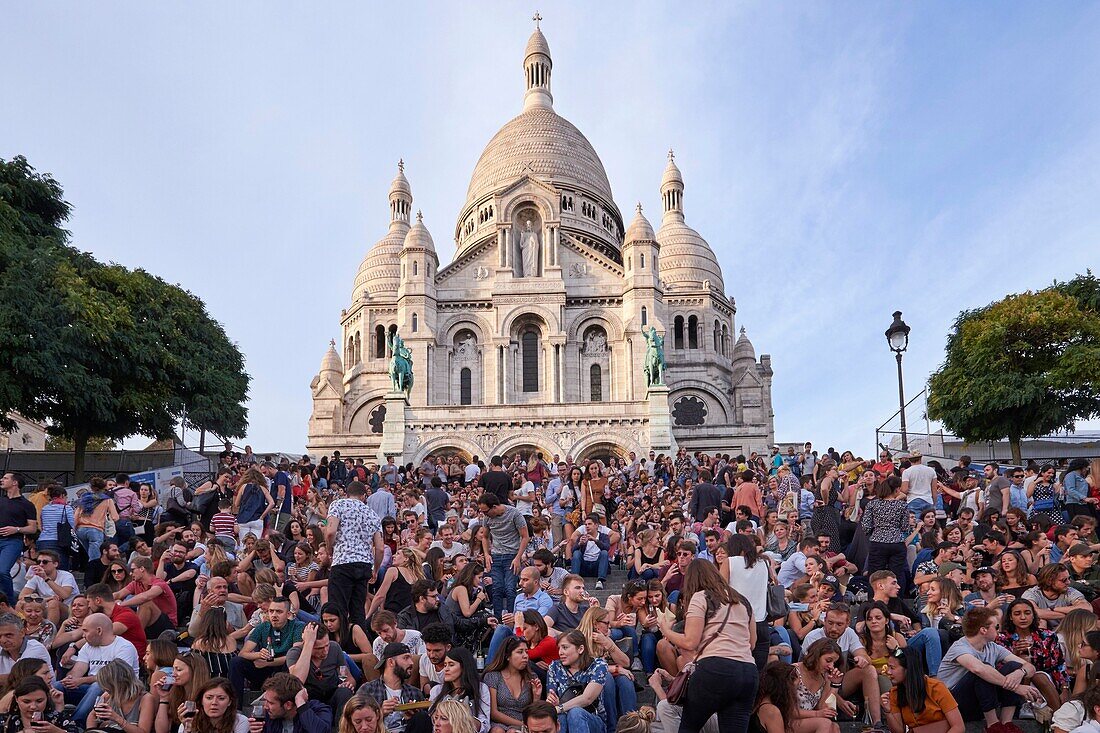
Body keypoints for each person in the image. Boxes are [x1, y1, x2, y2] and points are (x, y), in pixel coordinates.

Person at [655, 559, 759, 733]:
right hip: (748, 673)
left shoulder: (701, 597)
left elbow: (690, 642)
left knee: (689, 727)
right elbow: (752, 643)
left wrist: (666, 629)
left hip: (715, 669)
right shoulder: (742, 601)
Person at [936, 607, 1045, 728]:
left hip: (980, 702)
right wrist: (1016, 687)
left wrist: (1020, 672)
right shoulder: (959, 647)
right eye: (996, 627)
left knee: (1013, 666)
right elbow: (978, 669)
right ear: (983, 630)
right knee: (983, 670)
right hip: (954, 706)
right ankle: (993, 725)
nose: (999, 631)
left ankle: (1006, 724)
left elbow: (1030, 667)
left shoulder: (992, 646)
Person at [801, 604, 884, 726]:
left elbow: (864, 656)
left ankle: (876, 723)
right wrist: (839, 701)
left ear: (847, 623)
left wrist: (862, 659)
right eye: (830, 623)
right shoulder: (813, 638)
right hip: (816, 686)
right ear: (824, 621)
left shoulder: (849, 633)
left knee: (869, 669)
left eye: (839, 624)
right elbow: (816, 675)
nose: (833, 628)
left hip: (840, 681)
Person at [53, 612, 140, 723]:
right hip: (90, 691)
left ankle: (75, 724)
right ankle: (52, 719)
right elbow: (77, 671)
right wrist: (69, 680)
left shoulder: (124, 647)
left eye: (85, 631)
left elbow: (115, 678)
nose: (83, 635)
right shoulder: (88, 646)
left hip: (117, 692)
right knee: (57, 686)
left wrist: (81, 680)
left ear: (99, 631)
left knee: (98, 685)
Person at [326, 481, 385, 630]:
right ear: (364, 496)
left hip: (342, 561)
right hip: (364, 564)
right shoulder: (372, 514)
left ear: (346, 493)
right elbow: (380, 548)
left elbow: (331, 531)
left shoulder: (338, 505)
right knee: (357, 610)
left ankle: (338, 645)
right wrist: (376, 570)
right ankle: (359, 645)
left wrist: (329, 550)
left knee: (337, 608)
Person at [230, 597, 305, 696]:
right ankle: (237, 707)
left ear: (288, 614)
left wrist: (267, 663)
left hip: (286, 669)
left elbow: (296, 656)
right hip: (265, 669)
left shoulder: (298, 627)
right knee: (236, 662)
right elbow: (243, 653)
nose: (274, 615)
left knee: (290, 662)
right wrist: (258, 654)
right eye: (271, 611)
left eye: (278, 612)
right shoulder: (263, 627)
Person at [883, 647, 964, 733]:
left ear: (908, 668)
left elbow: (958, 727)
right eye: (888, 667)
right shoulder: (894, 693)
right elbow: (899, 731)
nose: (888, 672)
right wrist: (888, 712)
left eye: (892, 668)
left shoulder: (936, 687)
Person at [287, 621, 355, 721]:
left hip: (331, 695)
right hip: (309, 700)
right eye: (319, 648)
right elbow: (297, 681)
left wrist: (348, 684)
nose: (325, 651)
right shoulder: (295, 653)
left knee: (345, 692)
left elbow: (349, 678)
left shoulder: (334, 648)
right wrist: (308, 645)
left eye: (326, 646)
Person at [477, 493, 530, 614]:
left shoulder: (514, 514)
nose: (484, 514)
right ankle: (497, 620)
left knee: (510, 589)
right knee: (497, 588)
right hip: (495, 556)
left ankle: (511, 618)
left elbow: (525, 537)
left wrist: (518, 557)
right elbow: (485, 537)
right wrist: (487, 554)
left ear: (494, 507)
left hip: (512, 555)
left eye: (485, 511)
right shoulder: (487, 518)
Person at [545, 630, 607, 733]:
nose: (560, 652)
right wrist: (553, 702)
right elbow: (551, 700)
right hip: (563, 715)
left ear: (580, 649)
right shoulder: (554, 666)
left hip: (592, 719)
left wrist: (560, 707)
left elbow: (587, 698)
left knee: (575, 712)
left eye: (565, 647)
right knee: (560, 717)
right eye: (559, 648)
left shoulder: (598, 665)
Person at [751, 660, 836, 733]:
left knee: (834, 727)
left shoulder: (769, 703)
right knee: (825, 724)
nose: (795, 690)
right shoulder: (771, 710)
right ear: (785, 686)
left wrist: (834, 685)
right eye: (795, 686)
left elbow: (829, 708)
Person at [360, 642, 425, 733]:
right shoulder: (368, 690)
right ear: (391, 662)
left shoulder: (415, 692)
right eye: (406, 658)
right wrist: (380, 713)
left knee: (422, 717)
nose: (411, 662)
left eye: (410, 658)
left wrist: (413, 717)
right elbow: (356, 720)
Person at [483, 636, 540, 733]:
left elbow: (533, 712)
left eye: (526, 651)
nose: (525, 656)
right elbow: (493, 713)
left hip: (524, 722)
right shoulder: (493, 676)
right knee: (498, 731)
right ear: (508, 656)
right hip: (500, 722)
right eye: (520, 652)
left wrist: (536, 696)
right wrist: (522, 724)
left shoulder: (531, 677)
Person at [428, 648, 490, 733]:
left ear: (464, 667)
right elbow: (433, 723)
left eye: (451, 665)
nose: (446, 669)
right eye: (445, 665)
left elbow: (485, 725)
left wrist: (462, 716)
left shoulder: (481, 688)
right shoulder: (437, 691)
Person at [84, 659, 155, 733]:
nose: (105, 689)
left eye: (109, 686)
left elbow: (144, 731)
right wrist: (91, 730)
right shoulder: (108, 695)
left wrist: (117, 718)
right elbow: (92, 716)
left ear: (120, 683)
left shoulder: (145, 699)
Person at [249, 671, 333, 733]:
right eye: (265, 700)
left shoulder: (319, 710)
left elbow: (321, 731)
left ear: (288, 705)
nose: (265, 706)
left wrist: (300, 703)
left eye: (271, 703)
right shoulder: (267, 715)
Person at [151, 652, 211, 733]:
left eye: (178, 669)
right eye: (173, 669)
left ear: (194, 671)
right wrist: (163, 699)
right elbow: (161, 731)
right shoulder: (174, 693)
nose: (173, 674)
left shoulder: (208, 697)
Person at [0, 475, 37, 604]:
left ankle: (9, 603)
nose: (2, 480)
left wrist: (16, 529)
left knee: (3, 571)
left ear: (15, 482)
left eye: (5, 478)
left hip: (12, 541)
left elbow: (32, 528)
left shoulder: (27, 504)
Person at [1021, 563, 1092, 630]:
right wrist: (1068, 615)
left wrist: (1053, 609)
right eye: (1064, 580)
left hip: (1067, 631)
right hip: (1045, 632)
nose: (1068, 582)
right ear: (1049, 581)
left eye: (1068, 578)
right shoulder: (1032, 593)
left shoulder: (1069, 591)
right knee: (1041, 621)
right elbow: (1033, 612)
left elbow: (1087, 608)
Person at [0, 677, 78, 733]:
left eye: (39, 701)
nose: (33, 706)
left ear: (47, 698)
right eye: (26, 702)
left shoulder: (58, 718)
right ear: (17, 699)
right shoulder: (5, 720)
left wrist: (57, 731)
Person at [0, 613, 51, 681]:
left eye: (8, 635)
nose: (3, 640)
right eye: (0, 636)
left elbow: (21, 679)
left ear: (22, 633)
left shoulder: (36, 648)